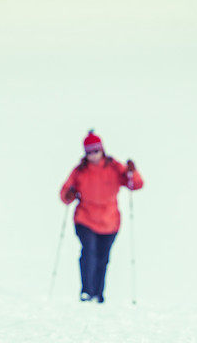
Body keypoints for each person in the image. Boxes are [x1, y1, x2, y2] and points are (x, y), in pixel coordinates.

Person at [60, 130, 144, 303]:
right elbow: (64, 193)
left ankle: (98, 294)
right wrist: (68, 195)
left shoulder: (114, 167)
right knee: (88, 253)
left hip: (110, 221)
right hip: (85, 218)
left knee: (102, 257)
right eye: (89, 152)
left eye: (95, 151)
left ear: (102, 149)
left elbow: (135, 184)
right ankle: (87, 292)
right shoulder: (80, 171)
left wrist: (132, 172)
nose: (93, 155)